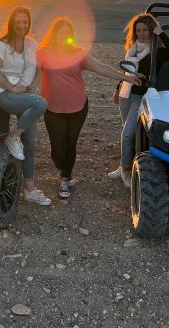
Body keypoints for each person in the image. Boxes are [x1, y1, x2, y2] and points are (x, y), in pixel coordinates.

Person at [37, 17, 140, 200]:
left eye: (68, 33)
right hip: (52, 108)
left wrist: (125, 77)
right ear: (54, 34)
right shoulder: (43, 53)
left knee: (70, 143)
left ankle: (65, 178)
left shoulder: (78, 54)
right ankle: (63, 170)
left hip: (78, 107)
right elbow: (29, 71)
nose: (65, 36)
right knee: (56, 148)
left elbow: (101, 68)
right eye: (62, 32)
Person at [108, 13, 169, 187]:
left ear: (151, 31)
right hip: (127, 94)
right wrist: (118, 88)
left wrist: (161, 32)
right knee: (127, 132)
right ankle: (124, 165)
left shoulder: (158, 50)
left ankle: (126, 170)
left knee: (127, 135)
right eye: (138, 30)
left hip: (141, 97)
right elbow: (129, 70)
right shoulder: (133, 48)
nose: (141, 33)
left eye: (145, 30)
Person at [0, 6, 51, 206]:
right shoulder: (0, 45)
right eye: (18, 22)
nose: (21, 25)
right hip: (5, 93)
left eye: (25, 22)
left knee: (30, 145)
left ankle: (30, 189)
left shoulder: (33, 45)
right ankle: (14, 135)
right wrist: (11, 87)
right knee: (41, 104)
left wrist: (32, 86)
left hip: (26, 95)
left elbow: (39, 68)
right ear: (11, 24)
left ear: (28, 23)